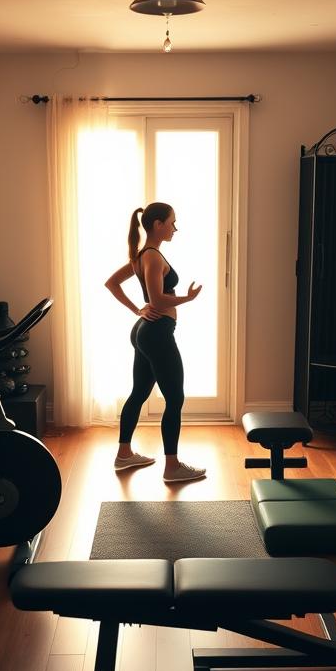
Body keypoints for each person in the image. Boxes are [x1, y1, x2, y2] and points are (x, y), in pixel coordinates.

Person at [104, 202, 207, 483]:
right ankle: (172, 468)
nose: (175, 228)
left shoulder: (143, 256)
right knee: (175, 398)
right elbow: (158, 299)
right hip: (156, 332)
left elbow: (112, 283)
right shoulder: (152, 257)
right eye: (172, 222)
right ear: (158, 224)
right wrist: (186, 298)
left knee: (139, 392)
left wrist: (138, 310)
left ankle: (124, 454)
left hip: (145, 332)